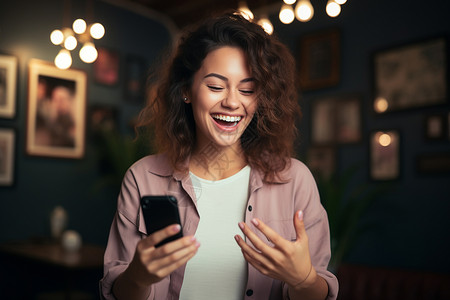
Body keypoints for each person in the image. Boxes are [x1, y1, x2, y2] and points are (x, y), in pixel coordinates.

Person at [100, 12, 338, 300]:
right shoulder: (143, 178)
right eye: (215, 86)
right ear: (186, 90)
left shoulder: (295, 180)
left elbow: (320, 291)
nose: (232, 102)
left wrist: (303, 279)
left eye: (248, 89)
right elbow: (116, 291)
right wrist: (137, 278)